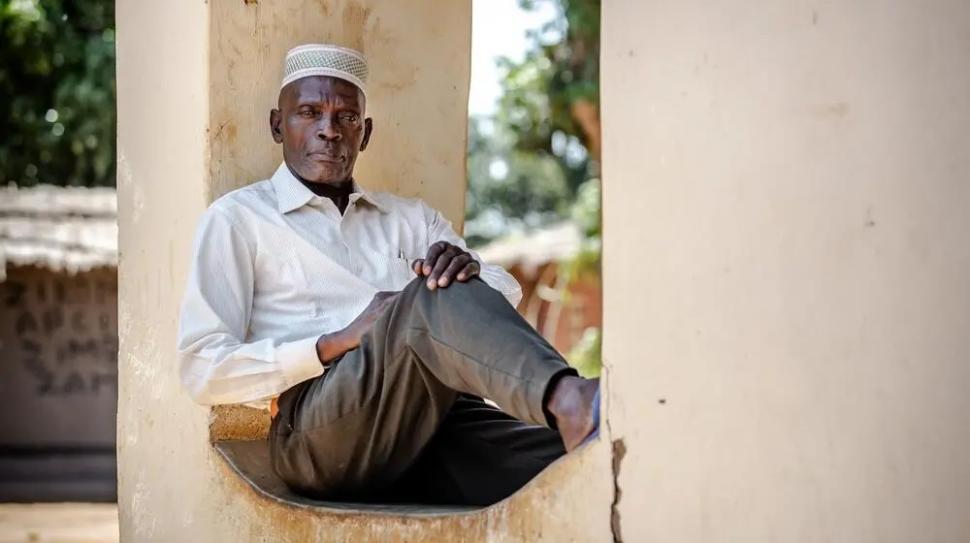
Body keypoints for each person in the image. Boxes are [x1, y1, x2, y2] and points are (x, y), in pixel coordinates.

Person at [177, 44, 599, 506]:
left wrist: (470, 268)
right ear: (278, 125)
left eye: (347, 118)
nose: (329, 131)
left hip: (434, 421)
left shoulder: (410, 219)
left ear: (366, 132)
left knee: (580, 457)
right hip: (319, 433)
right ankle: (569, 397)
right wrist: (335, 341)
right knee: (428, 296)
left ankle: (584, 413)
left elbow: (501, 289)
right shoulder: (239, 219)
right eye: (309, 112)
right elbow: (202, 370)